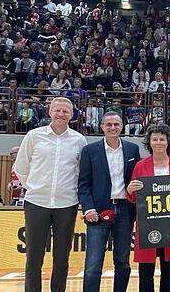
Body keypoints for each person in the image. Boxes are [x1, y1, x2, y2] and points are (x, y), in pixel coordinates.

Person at [13, 97, 88, 292]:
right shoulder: (33, 136)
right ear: (50, 112)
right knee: (34, 257)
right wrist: (33, 187)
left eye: (65, 111)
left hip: (67, 204)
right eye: (57, 110)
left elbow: (82, 172)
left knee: (62, 258)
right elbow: (21, 167)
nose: (61, 114)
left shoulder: (79, 140)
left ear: (72, 115)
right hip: (36, 203)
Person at [78, 112, 141, 292]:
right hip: (98, 211)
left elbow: (135, 180)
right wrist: (88, 208)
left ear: (122, 126)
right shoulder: (90, 151)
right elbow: (83, 184)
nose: (113, 128)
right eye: (109, 124)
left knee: (122, 261)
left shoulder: (132, 149)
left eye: (116, 124)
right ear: (102, 127)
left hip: (125, 210)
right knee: (93, 262)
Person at [127, 123, 170, 292]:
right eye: (155, 139)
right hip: (148, 224)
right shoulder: (140, 166)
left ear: (168, 142)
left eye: (162, 139)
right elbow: (133, 197)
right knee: (146, 269)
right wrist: (130, 189)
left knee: (168, 269)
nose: (159, 142)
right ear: (149, 142)